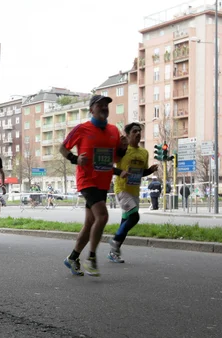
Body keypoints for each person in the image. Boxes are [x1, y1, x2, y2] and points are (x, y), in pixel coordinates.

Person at [59, 94, 127, 277]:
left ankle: (73, 257)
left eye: (106, 105)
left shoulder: (114, 131)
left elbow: (116, 158)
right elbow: (63, 148)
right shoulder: (82, 129)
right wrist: (75, 159)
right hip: (87, 181)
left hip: (103, 182)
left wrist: (123, 148)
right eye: (100, 105)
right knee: (102, 216)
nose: (104, 108)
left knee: (90, 223)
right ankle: (91, 257)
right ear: (91, 109)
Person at [108, 122, 158, 263]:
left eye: (139, 131)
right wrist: (120, 172)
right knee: (134, 217)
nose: (137, 134)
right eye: (134, 131)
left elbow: (142, 172)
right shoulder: (123, 150)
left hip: (134, 190)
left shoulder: (144, 152)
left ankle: (113, 252)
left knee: (126, 221)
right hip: (122, 189)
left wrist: (150, 170)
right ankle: (115, 239)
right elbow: (109, 166)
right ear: (128, 135)